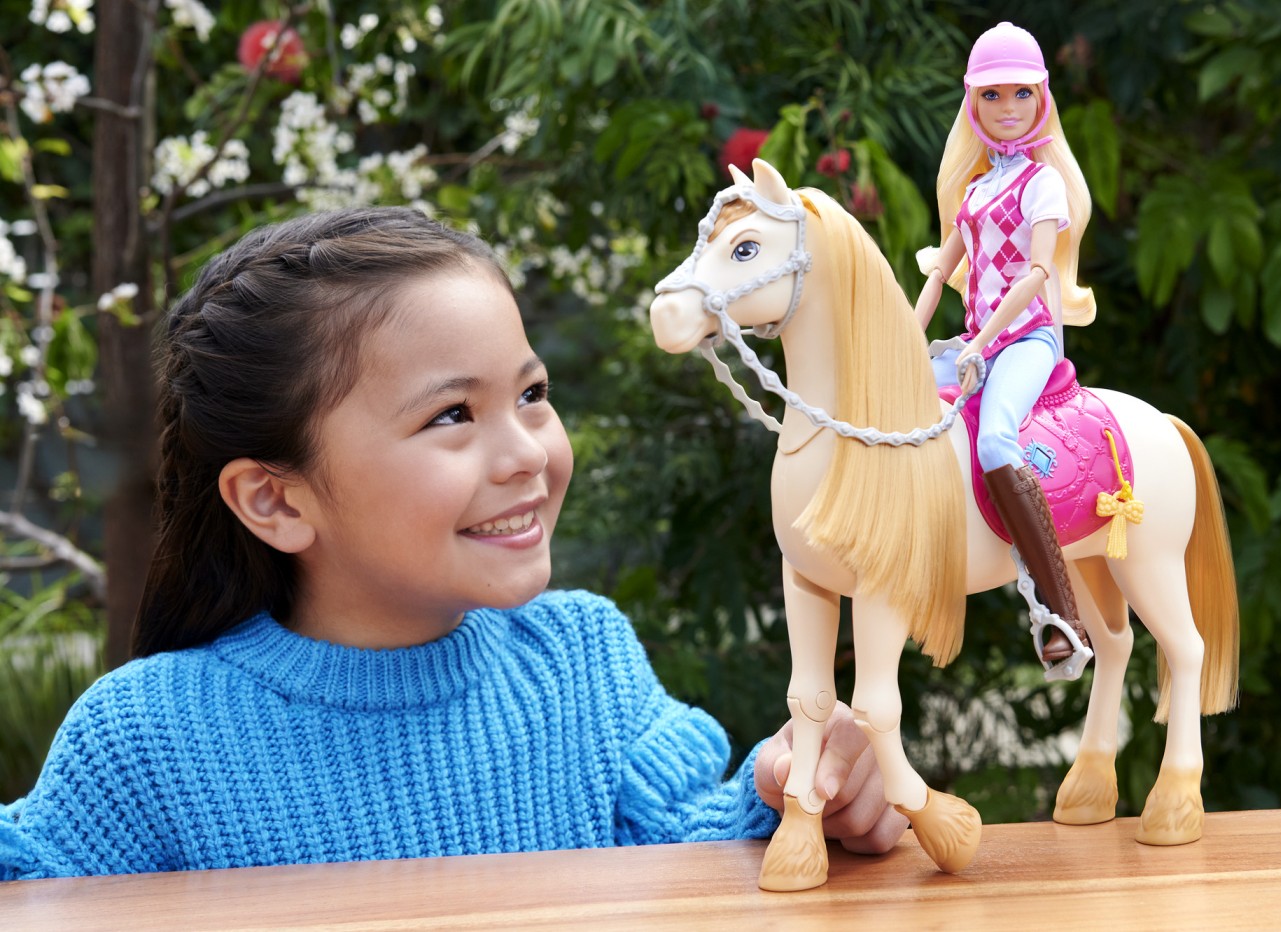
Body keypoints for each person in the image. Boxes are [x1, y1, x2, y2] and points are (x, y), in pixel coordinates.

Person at [0, 207, 904, 880]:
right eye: (451, 415)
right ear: (274, 499)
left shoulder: (581, 663)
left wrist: (794, 796)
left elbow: (685, 859)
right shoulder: (149, 740)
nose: (527, 454)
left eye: (532, 395)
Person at [913, 21, 1098, 667]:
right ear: (973, 104)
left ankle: (1059, 610)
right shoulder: (974, 190)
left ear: (1041, 99)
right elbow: (940, 272)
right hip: (977, 341)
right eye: (992, 95)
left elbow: (1038, 272)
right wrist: (904, 341)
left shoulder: (1042, 184)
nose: (1007, 107)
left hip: (1027, 339)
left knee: (994, 438)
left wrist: (983, 343)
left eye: (1021, 93)